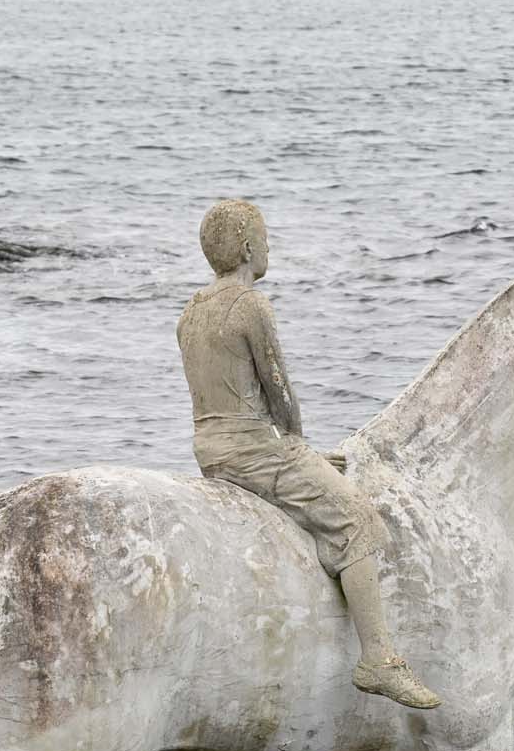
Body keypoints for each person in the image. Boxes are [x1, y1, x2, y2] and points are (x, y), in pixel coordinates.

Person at [176, 198, 442, 710]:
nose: (271, 245)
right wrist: (299, 446)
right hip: (254, 451)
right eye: (266, 237)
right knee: (358, 519)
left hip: (210, 449)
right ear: (250, 248)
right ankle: (378, 659)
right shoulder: (250, 305)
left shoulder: (190, 311)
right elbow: (278, 389)